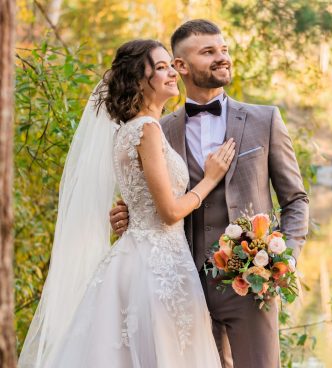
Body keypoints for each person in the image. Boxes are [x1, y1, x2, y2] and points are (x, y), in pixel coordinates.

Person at [18, 39, 234, 368]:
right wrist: (210, 178)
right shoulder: (147, 129)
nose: (172, 72)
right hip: (158, 267)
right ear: (137, 80)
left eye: (170, 65)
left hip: (139, 257)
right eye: (160, 67)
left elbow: (141, 198)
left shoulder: (128, 131)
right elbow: (169, 212)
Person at [110, 20, 309, 368]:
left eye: (224, 50)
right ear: (181, 66)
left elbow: (296, 200)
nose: (222, 58)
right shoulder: (158, 127)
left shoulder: (265, 120)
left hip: (250, 284)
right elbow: (153, 194)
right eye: (208, 52)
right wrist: (127, 213)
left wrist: (284, 260)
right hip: (180, 285)